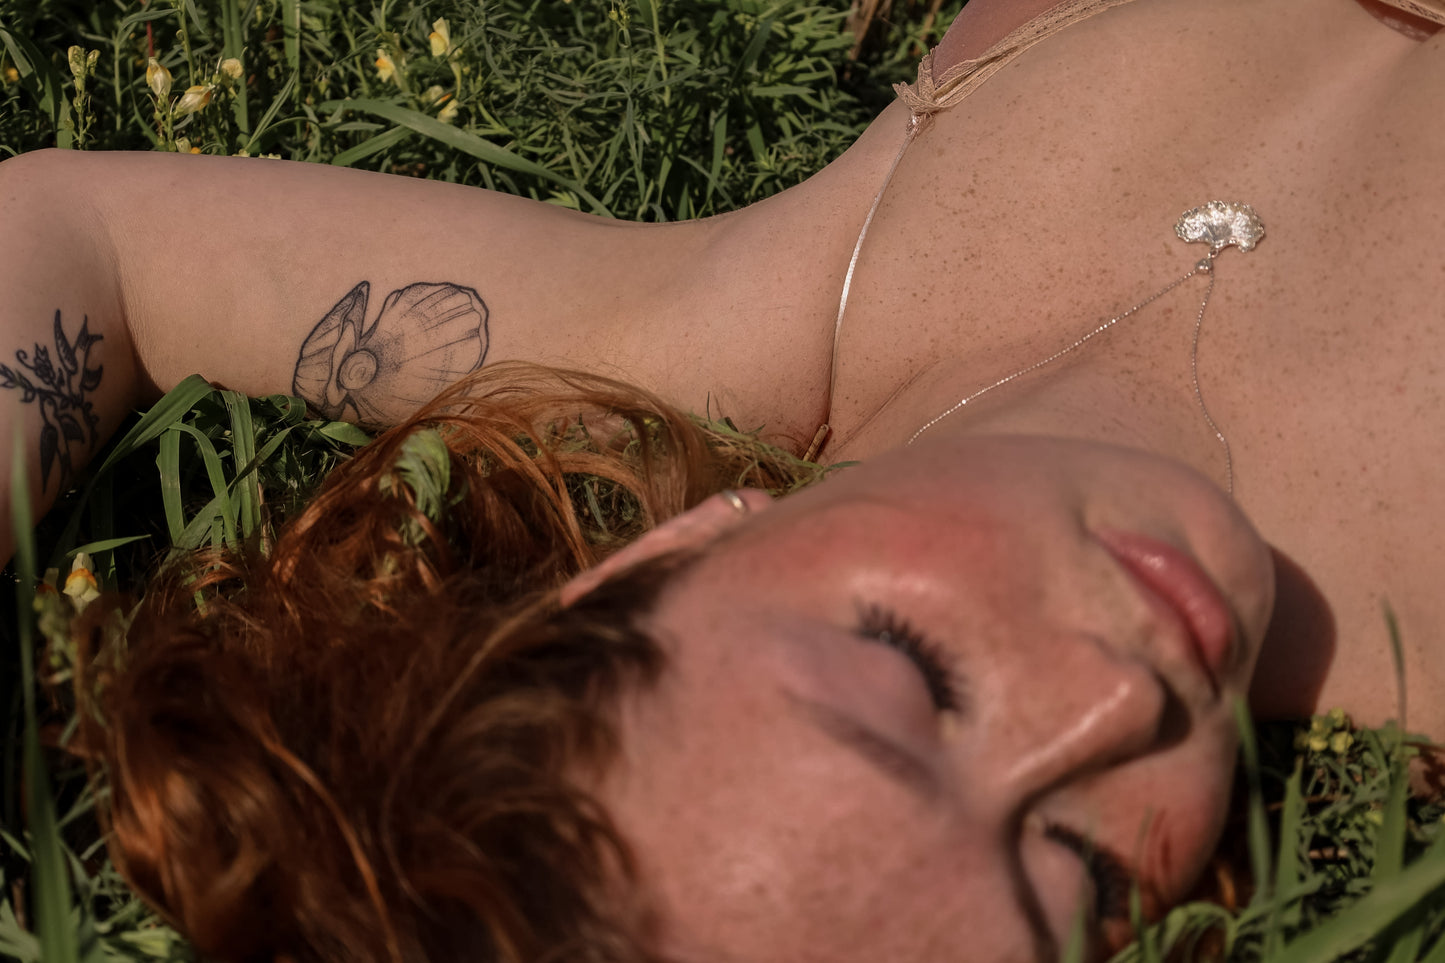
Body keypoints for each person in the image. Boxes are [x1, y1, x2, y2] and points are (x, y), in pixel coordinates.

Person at [2, 0, 1444, 959]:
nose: (1115, 704)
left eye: (913, 674)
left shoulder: (757, 312)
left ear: (662, 558)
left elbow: (89, 237)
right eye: (1081, 873)